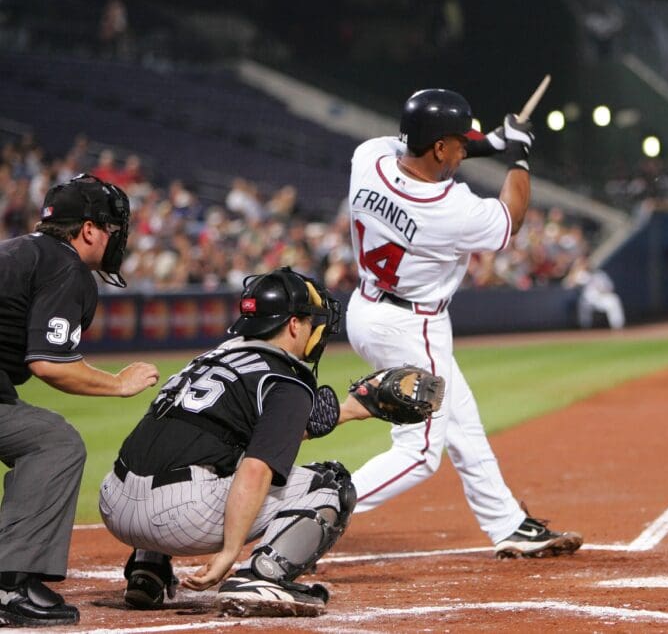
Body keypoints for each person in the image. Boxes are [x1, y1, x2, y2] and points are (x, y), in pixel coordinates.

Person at [344, 88, 583, 558]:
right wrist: (518, 155)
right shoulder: (449, 209)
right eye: (458, 141)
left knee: (463, 420)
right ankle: (309, 507)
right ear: (439, 147)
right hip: (413, 328)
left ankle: (508, 524)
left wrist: (491, 142)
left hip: (366, 308)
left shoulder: (367, 158)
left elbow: (419, 148)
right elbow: (511, 216)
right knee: (419, 451)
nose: (463, 148)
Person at [98, 267, 387, 617]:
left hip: (114, 504)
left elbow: (235, 430)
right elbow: (256, 467)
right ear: (294, 325)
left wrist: (351, 410)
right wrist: (229, 553)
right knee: (332, 484)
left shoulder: (211, 359)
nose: (317, 330)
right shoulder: (287, 380)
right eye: (313, 321)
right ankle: (263, 577)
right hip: (176, 518)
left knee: (197, 448)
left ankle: (148, 570)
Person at [0, 174, 160, 627]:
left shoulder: (17, 250)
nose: (116, 239)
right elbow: (50, 363)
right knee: (54, 443)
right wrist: (118, 383)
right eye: (112, 229)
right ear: (89, 229)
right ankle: (9, 585)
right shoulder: (66, 266)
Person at [564, 255, 625, 330]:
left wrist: (603, 289)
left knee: (614, 300)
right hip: (588, 299)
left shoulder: (600, 274)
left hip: (602, 297)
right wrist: (575, 270)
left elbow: (610, 287)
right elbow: (567, 285)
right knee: (583, 303)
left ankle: (617, 326)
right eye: (582, 264)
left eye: (586, 263)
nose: (585, 265)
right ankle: (585, 328)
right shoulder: (580, 275)